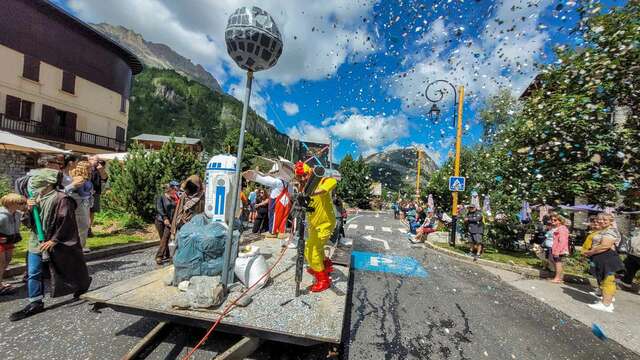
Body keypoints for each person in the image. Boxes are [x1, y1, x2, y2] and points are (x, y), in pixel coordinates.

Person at [10, 168, 91, 321]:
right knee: (33, 271)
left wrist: (54, 240)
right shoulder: (35, 199)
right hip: (37, 242)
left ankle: (82, 284)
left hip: (57, 242)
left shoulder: (62, 199)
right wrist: (29, 210)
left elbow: (67, 222)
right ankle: (35, 302)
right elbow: (30, 223)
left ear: (48, 182)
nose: (33, 184)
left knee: (68, 267)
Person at [295, 161, 337, 293]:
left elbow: (331, 183)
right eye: (299, 176)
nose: (302, 178)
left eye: (304, 175)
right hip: (313, 225)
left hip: (325, 224)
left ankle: (323, 280)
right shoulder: (303, 188)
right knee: (314, 249)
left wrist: (315, 191)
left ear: (310, 172)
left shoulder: (322, 180)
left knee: (311, 251)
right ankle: (324, 266)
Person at [583, 213, 624, 312]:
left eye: (605, 219)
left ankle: (606, 304)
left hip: (607, 258)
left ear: (611, 221)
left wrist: (589, 252)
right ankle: (605, 301)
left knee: (608, 280)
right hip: (601, 258)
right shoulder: (603, 230)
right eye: (600, 219)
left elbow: (605, 246)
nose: (602, 221)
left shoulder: (611, 230)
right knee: (604, 280)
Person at [243, 167, 291, 238]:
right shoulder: (287, 182)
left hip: (276, 201)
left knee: (274, 216)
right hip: (285, 201)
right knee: (283, 217)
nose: (272, 174)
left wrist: (254, 175)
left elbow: (265, 180)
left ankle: (273, 232)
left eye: (273, 172)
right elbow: (291, 192)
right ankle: (281, 231)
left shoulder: (277, 181)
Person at [0, 193, 26, 295]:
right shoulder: (2, 216)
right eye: (21, 203)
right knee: (1, 262)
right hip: (1, 240)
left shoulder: (17, 214)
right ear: (11, 204)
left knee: (7, 260)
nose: (23, 204)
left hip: (9, 240)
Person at [66, 160, 93, 253]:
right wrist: (90, 193)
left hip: (84, 203)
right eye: (90, 168)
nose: (92, 169)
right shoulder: (80, 178)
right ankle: (80, 246)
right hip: (80, 203)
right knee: (83, 225)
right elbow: (82, 193)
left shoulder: (85, 178)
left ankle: (79, 245)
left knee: (82, 225)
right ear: (85, 169)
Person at [170, 175, 205, 241]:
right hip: (184, 226)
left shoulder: (203, 196)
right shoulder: (184, 196)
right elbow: (178, 212)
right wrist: (173, 231)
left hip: (198, 228)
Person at [155, 181, 179, 265]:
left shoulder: (174, 198)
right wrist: (165, 218)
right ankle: (168, 254)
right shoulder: (161, 197)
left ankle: (159, 256)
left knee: (165, 238)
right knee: (163, 239)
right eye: (174, 189)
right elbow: (159, 208)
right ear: (170, 189)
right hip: (160, 221)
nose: (176, 191)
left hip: (170, 222)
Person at [88, 156, 108, 237]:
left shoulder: (99, 170)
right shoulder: (85, 168)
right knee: (84, 211)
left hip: (95, 193)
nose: (96, 161)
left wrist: (101, 169)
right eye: (94, 159)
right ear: (89, 160)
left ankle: (88, 230)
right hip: (84, 193)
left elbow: (105, 178)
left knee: (92, 212)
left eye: (97, 160)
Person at [619, 218, 640, 290]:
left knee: (629, 268)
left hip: (637, 253)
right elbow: (633, 240)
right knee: (629, 268)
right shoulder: (637, 231)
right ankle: (626, 284)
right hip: (633, 253)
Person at [549, 213, 570, 284]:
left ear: (560, 221)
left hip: (559, 250)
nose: (553, 221)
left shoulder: (562, 228)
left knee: (558, 263)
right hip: (557, 249)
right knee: (557, 263)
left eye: (555, 220)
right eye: (552, 220)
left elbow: (562, 241)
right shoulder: (559, 228)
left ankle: (557, 278)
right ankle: (559, 278)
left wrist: (557, 251)